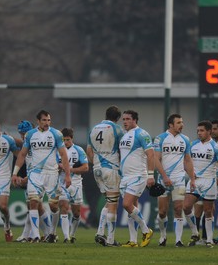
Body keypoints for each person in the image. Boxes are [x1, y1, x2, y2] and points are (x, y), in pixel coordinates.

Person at [12, 110, 71, 243]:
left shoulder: (56, 134)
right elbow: (22, 154)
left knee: (53, 206)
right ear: (38, 121)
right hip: (35, 174)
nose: (47, 123)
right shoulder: (30, 135)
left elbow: (63, 155)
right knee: (33, 203)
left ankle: (52, 232)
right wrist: (15, 173)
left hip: (51, 174)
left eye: (48, 120)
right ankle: (35, 235)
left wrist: (67, 175)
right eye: (44, 120)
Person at [183, 120, 218, 248]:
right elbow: (185, 161)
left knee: (208, 211)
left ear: (209, 131)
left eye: (202, 130)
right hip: (195, 181)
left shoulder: (216, 147)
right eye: (198, 131)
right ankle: (195, 232)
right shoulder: (192, 145)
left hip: (209, 181)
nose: (199, 133)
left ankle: (209, 240)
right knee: (186, 207)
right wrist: (190, 173)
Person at [154, 113, 195, 247]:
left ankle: (178, 240)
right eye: (178, 123)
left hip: (179, 179)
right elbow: (156, 159)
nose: (181, 125)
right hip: (162, 179)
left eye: (182, 122)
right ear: (171, 125)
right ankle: (163, 235)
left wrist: (193, 179)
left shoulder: (185, 139)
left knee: (178, 208)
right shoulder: (160, 138)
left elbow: (188, 160)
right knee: (162, 211)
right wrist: (165, 177)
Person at [86, 105, 124, 247]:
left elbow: (88, 150)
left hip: (97, 169)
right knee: (113, 203)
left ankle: (100, 232)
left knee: (108, 201)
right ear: (118, 118)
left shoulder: (93, 129)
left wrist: (96, 163)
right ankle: (111, 239)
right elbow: (122, 150)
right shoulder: (117, 129)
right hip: (111, 168)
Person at [119, 109, 154, 247]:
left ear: (135, 120)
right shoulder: (124, 136)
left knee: (127, 205)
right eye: (124, 119)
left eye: (128, 119)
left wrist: (151, 175)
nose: (125, 122)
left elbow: (151, 155)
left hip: (138, 175)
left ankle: (146, 230)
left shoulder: (142, 134)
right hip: (125, 177)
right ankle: (133, 240)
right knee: (131, 209)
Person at [14, 120, 51, 242]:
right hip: (32, 177)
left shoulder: (38, 142)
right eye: (21, 133)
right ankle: (47, 233)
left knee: (33, 205)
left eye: (25, 133)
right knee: (36, 206)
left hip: (40, 177)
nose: (23, 135)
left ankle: (29, 235)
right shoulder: (27, 143)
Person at [58, 128, 89, 243]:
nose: (66, 142)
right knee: (63, 206)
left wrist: (69, 169)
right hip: (62, 182)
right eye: (64, 140)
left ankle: (72, 234)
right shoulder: (58, 150)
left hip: (76, 183)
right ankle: (66, 237)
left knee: (76, 213)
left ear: (72, 139)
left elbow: (86, 167)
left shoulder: (79, 150)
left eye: (68, 139)